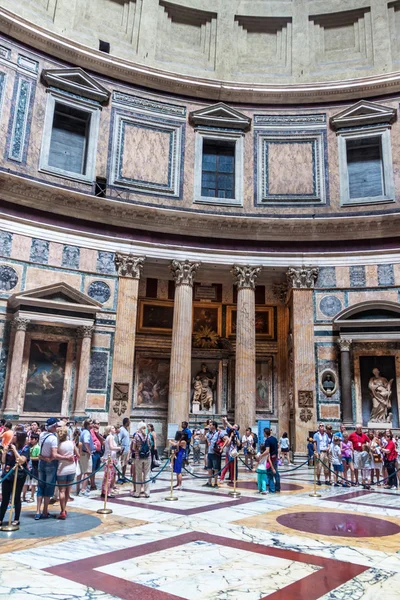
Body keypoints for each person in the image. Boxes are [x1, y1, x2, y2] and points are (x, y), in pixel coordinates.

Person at [36, 417, 72, 520]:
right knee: (48, 487)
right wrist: (66, 457)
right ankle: (45, 511)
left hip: (41, 463)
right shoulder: (53, 438)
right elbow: (54, 455)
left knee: (40, 487)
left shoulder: (42, 434)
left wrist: (43, 457)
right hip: (50, 465)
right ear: (54, 426)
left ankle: (37, 511)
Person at [0, 431, 29, 526]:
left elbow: (21, 460)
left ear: (20, 438)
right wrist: (5, 451)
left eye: (15, 435)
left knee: (16, 497)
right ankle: (0, 518)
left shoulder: (25, 448)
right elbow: (3, 461)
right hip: (7, 474)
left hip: (19, 476)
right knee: (5, 498)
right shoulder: (9, 447)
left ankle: (16, 519)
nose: (13, 436)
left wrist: (15, 450)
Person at [56, 426, 79, 519]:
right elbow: (78, 454)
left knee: (61, 491)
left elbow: (55, 456)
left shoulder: (58, 445)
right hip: (72, 469)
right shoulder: (71, 443)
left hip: (61, 469)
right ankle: (64, 509)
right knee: (67, 491)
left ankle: (62, 511)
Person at [132, 422, 152, 498]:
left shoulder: (136, 436)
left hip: (138, 457)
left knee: (138, 475)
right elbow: (150, 446)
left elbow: (134, 448)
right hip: (148, 457)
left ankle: (137, 492)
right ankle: (147, 493)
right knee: (147, 475)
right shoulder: (148, 436)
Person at [101, 425, 121, 498]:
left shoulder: (109, 437)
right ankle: (107, 492)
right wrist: (119, 448)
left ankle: (104, 491)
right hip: (110, 459)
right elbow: (111, 447)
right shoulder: (111, 437)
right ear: (109, 430)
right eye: (112, 428)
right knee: (109, 476)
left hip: (108, 457)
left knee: (106, 476)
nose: (114, 429)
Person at [204, 421, 224, 488]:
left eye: (210, 425)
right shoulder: (208, 433)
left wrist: (222, 447)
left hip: (215, 453)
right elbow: (204, 438)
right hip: (210, 452)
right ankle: (209, 482)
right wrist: (205, 433)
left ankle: (215, 483)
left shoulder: (219, 433)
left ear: (214, 426)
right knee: (209, 468)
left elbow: (226, 439)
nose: (209, 426)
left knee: (215, 469)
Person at [78, 419, 95, 497]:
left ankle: (80, 488)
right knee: (87, 472)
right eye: (91, 423)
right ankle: (83, 490)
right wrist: (89, 451)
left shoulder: (83, 431)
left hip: (83, 453)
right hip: (86, 454)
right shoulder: (87, 433)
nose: (93, 424)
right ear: (88, 425)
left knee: (83, 471)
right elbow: (86, 442)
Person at [22, 432, 40, 502]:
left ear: (36, 439)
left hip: (34, 467)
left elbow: (39, 457)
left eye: (32, 439)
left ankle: (32, 496)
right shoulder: (28, 447)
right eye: (30, 438)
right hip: (27, 467)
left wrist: (29, 458)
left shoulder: (38, 447)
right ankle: (23, 496)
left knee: (33, 483)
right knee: (26, 482)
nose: (31, 440)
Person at [264, 428, 280, 493]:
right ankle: (278, 488)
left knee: (270, 474)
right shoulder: (275, 439)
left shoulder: (267, 440)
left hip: (270, 458)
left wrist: (261, 455)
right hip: (275, 457)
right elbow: (278, 446)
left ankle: (272, 489)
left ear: (265, 433)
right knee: (276, 473)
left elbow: (267, 451)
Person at [90, 419, 104, 490]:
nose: (98, 425)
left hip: (98, 452)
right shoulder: (90, 432)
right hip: (93, 452)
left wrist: (97, 434)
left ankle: (92, 482)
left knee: (95, 469)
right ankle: (92, 484)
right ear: (93, 424)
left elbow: (103, 440)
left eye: (99, 424)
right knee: (92, 469)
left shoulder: (98, 432)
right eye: (97, 423)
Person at [117, 417, 130, 483]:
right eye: (129, 421)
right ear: (126, 422)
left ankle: (123, 476)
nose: (129, 423)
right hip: (122, 449)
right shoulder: (121, 429)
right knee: (120, 463)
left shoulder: (126, 429)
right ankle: (119, 477)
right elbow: (119, 439)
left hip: (127, 449)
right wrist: (120, 448)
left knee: (125, 464)